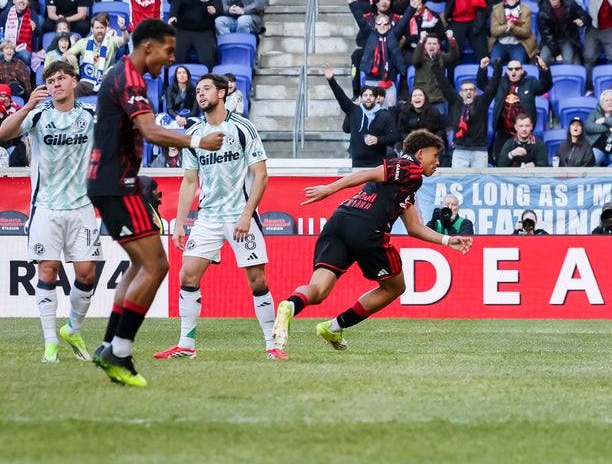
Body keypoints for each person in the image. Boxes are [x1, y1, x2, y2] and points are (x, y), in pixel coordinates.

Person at [87, 19, 226, 387]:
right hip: (116, 184)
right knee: (156, 265)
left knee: (138, 265)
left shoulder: (122, 75)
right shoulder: (128, 79)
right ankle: (119, 351)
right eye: (167, 51)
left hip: (114, 182)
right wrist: (197, 142)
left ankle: (107, 346)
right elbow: (149, 130)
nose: (170, 58)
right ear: (148, 47)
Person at [271, 129, 472, 351]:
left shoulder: (405, 183)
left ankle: (290, 305)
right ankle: (334, 326)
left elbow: (414, 227)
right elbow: (368, 173)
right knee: (394, 287)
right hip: (366, 229)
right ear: (421, 153)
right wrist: (330, 188)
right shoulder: (409, 168)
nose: (437, 162)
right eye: (435, 156)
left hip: (339, 222)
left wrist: (446, 240)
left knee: (318, 290)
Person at [154, 74, 285, 360]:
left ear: (222, 93)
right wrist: (179, 222)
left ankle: (272, 345)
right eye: (198, 90)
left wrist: (247, 215)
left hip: (240, 215)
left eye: (206, 89)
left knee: (257, 281)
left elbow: (261, 175)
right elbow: (190, 182)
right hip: (208, 217)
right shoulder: (195, 135)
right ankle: (186, 345)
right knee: (187, 274)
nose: (200, 94)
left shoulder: (242, 128)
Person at [0, 62, 99, 362]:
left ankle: (73, 328)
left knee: (86, 273)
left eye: (61, 79)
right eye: (51, 80)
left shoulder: (89, 116)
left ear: (73, 82)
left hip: (82, 207)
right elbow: (4, 133)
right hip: (45, 207)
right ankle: (50, 344)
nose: (56, 84)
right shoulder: (39, 114)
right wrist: (28, 104)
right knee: (47, 270)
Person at [323, 64, 399, 167]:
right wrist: (331, 80)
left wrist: (378, 140)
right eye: (365, 95)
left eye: (371, 95)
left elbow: (394, 137)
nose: (368, 98)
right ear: (361, 98)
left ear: (376, 98)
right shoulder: (354, 110)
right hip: (357, 163)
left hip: (378, 164)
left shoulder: (384, 115)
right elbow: (340, 96)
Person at [486, 56, 552, 163]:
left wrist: (544, 70)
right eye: (510, 69)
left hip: (523, 134)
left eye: (517, 69)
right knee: (501, 164)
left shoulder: (530, 83)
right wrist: (483, 69)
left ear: (522, 71)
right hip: (503, 133)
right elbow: (482, 84)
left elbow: (545, 86)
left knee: (523, 166)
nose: (514, 71)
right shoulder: (499, 83)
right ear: (506, 71)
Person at [167, 0, 222, 66]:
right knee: (174, 58)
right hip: (182, 29)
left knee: (208, 60)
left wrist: (215, 10)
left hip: (203, 31)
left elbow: (219, 6)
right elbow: (173, 2)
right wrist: (173, 16)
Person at [489, 0, 537, 64]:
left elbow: (526, 32)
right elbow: (494, 31)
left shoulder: (526, 9)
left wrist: (513, 28)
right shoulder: (496, 9)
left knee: (518, 64)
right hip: (500, 43)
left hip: (518, 43)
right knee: (494, 63)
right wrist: (506, 27)